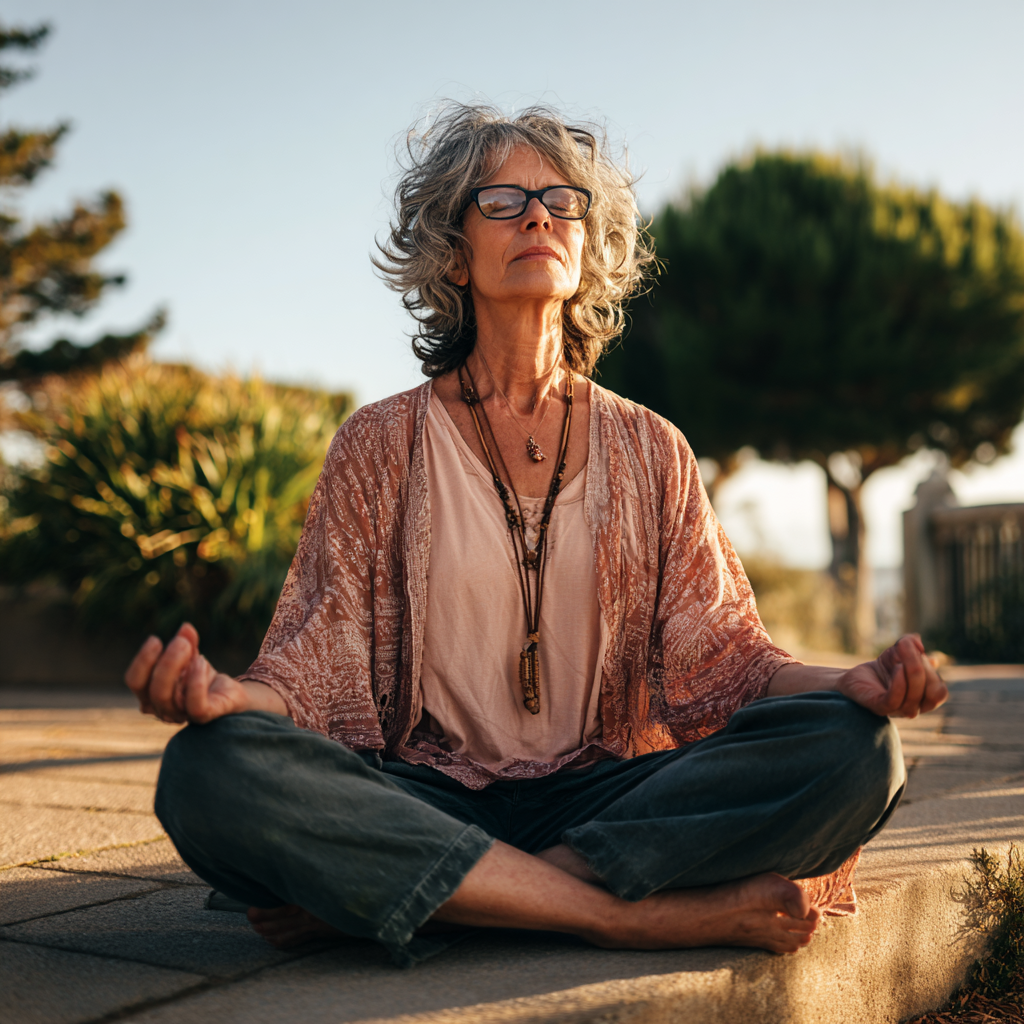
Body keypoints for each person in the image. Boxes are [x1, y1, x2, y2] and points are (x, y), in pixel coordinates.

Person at [126, 103, 947, 968]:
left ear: (588, 246)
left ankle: (435, 897)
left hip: (604, 792)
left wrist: (849, 681)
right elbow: (314, 666)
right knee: (208, 774)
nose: (540, 217)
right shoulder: (378, 444)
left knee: (854, 749)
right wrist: (227, 701)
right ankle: (622, 915)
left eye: (561, 202)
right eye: (504, 202)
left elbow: (728, 661)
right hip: (430, 790)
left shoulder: (650, 446)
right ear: (452, 248)